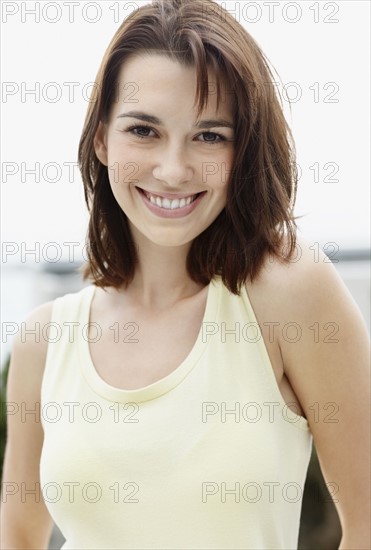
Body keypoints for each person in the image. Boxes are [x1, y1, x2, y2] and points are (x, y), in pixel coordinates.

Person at [1, 0, 370, 548]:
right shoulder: (44, 341)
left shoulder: (291, 293)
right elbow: (21, 539)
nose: (173, 170)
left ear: (242, 149)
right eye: (144, 131)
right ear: (102, 139)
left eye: (209, 136)